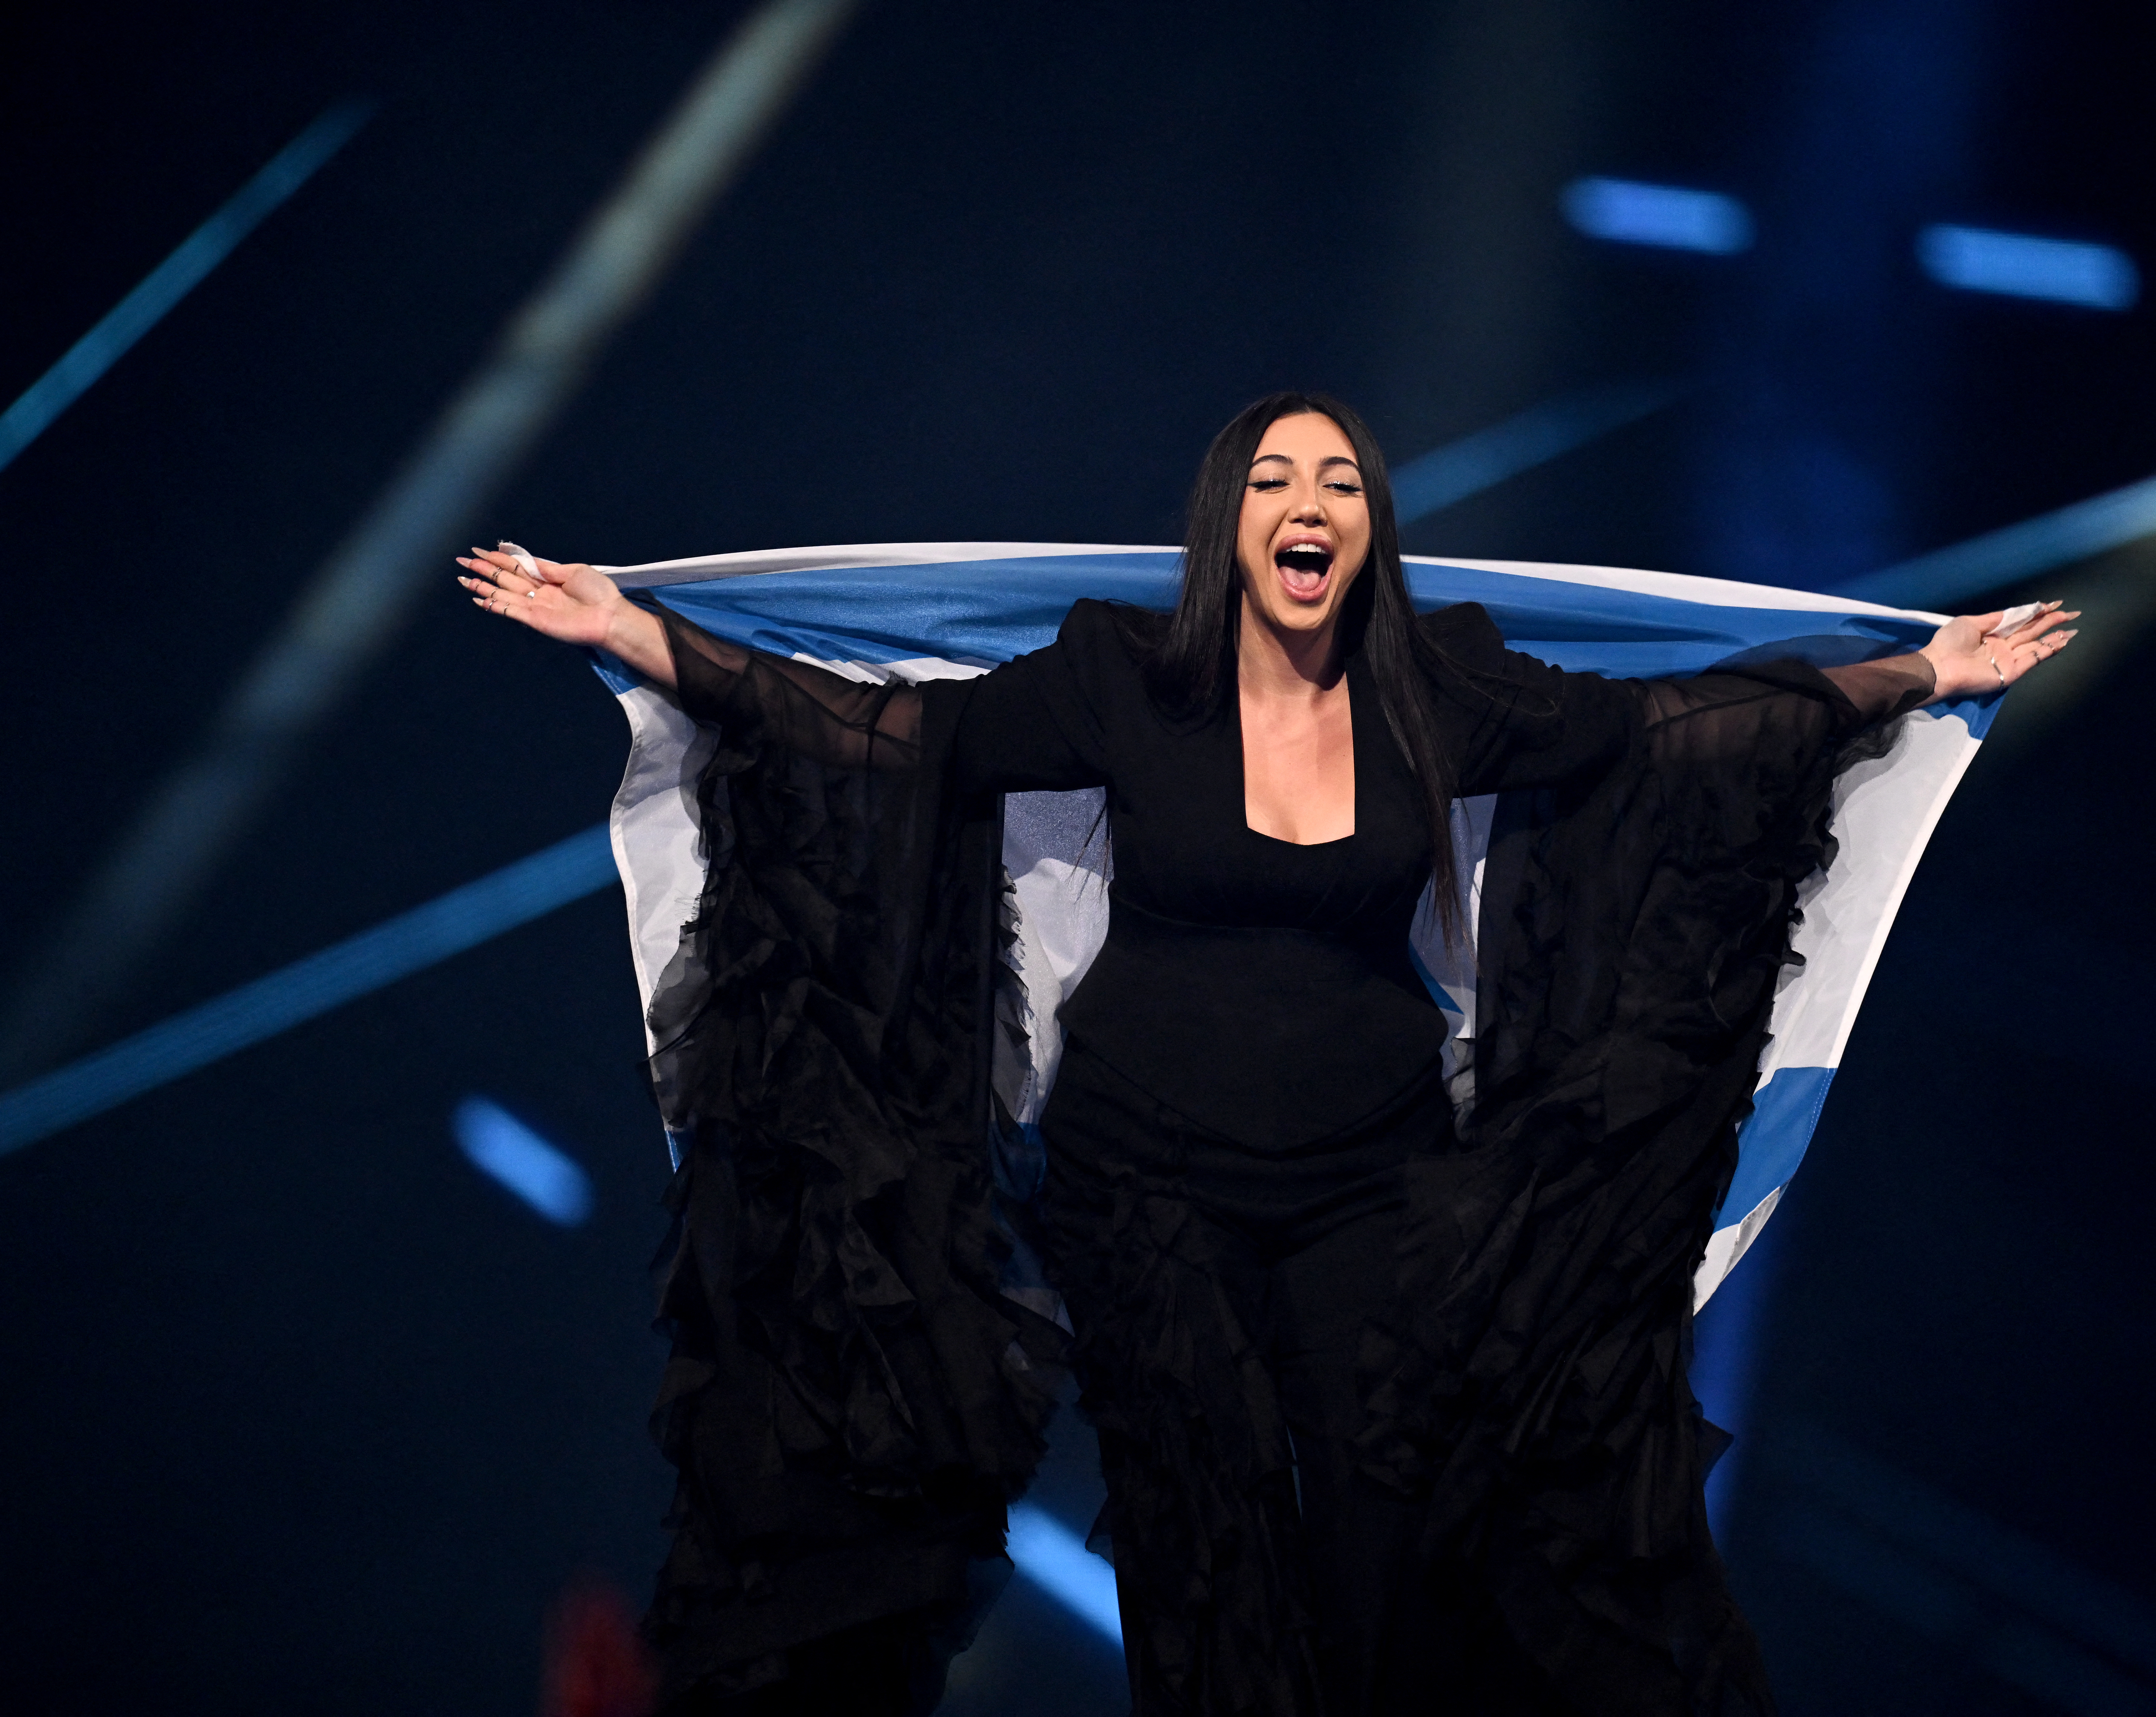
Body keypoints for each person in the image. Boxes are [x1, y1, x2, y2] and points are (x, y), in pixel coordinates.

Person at [458, 392, 2073, 1717]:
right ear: (1232, 524)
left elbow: (1683, 731)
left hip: (1371, 1188)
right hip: (1149, 1187)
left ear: (1365, 533)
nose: (1311, 504)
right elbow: (889, 737)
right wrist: (639, 636)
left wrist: (1926, 672)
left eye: (1343, 483)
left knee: (1393, 1544)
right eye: (1278, 478)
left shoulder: (1444, 695)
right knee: (1201, 1546)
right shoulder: (1118, 681)